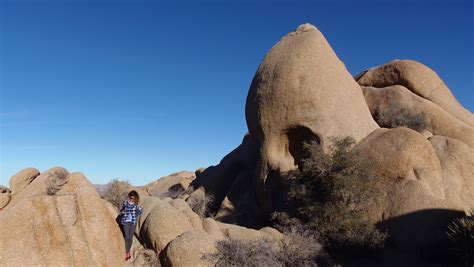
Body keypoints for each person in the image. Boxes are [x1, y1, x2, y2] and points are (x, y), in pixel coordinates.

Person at [120, 190, 143, 261]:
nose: (131, 199)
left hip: (133, 222)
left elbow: (138, 213)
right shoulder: (125, 203)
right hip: (126, 222)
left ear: (135, 198)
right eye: (130, 197)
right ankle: (127, 253)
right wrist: (123, 213)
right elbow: (121, 209)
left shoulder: (136, 205)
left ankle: (129, 251)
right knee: (127, 237)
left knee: (130, 238)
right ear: (129, 196)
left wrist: (141, 209)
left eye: (133, 198)